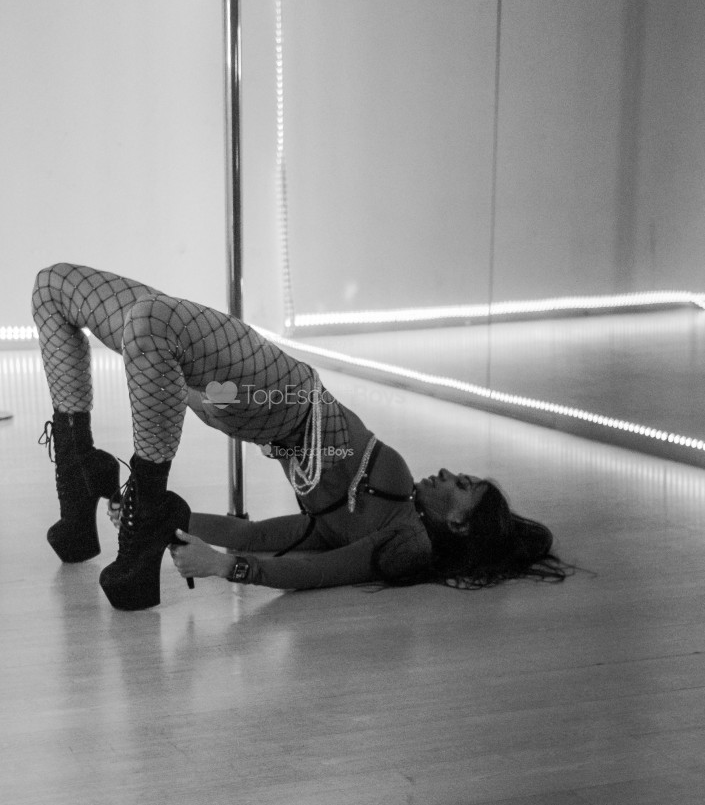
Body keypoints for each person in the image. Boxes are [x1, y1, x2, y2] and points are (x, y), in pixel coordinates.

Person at [32, 262, 566, 611]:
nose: (448, 473)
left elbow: (307, 565)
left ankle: (144, 503)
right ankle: (81, 483)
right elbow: (261, 533)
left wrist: (224, 565)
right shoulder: (380, 510)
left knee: (150, 322)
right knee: (53, 288)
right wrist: (178, 525)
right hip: (247, 399)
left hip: (279, 398)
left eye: (462, 485)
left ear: (460, 525)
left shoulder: (407, 542)